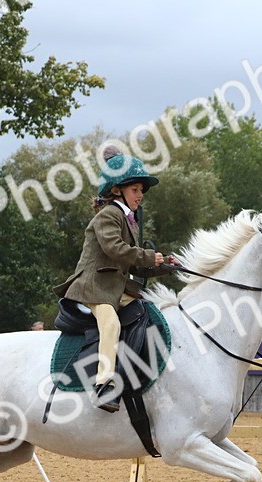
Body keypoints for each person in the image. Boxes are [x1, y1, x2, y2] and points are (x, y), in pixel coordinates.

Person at [53, 148, 174, 412]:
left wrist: (164, 264)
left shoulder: (128, 219)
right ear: (117, 190)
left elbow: (133, 263)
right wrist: (150, 256)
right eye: (135, 190)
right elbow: (116, 250)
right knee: (111, 325)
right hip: (93, 288)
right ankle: (105, 385)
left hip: (115, 287)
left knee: (150, 309)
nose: (140, 195)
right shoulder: (108, 215)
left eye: (142, 190)